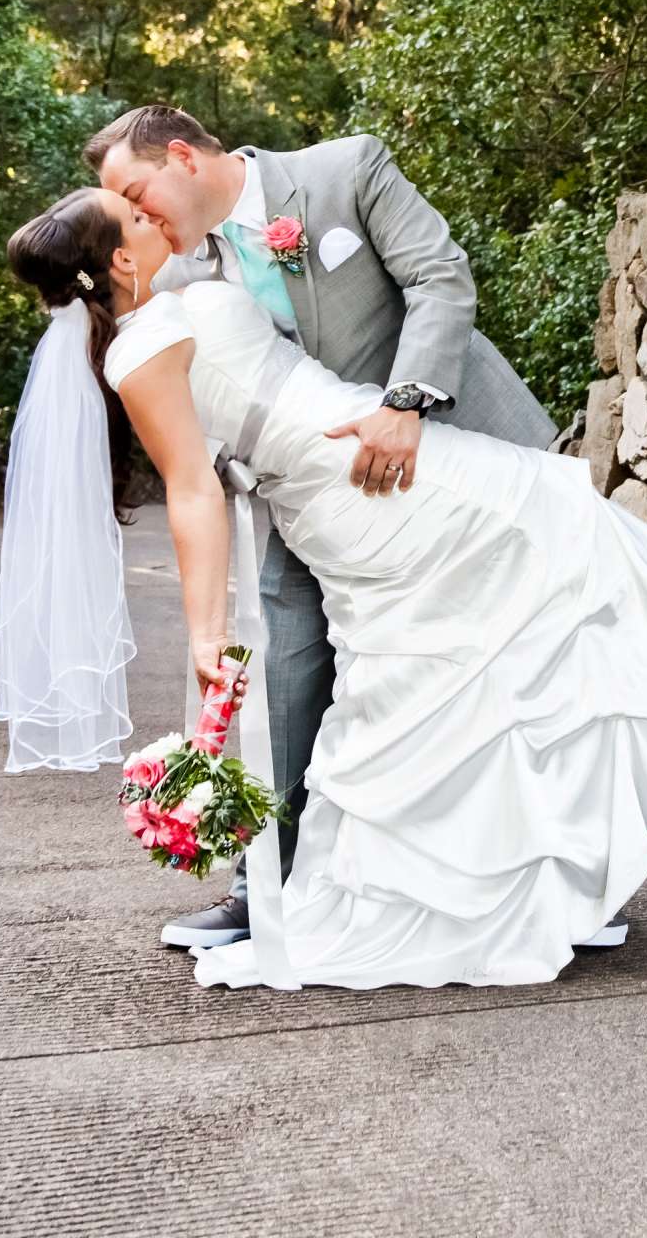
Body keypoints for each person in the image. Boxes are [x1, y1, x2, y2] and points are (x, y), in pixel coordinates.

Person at [0, 185, 647, 990]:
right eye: (136, 217)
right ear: (120, 260)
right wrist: (201, 637)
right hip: (354, 482)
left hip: (360, 462)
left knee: (446, 675)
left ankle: (541, 883)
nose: (153, 214)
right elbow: (192, 489)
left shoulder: (163, 306)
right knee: (561, 530)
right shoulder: (142, 349)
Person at [84, 106, 566, 952]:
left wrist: (407, 402)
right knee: (285, 664)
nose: (141, 212)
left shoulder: (345, 170)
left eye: (137, 190)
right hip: (318, 502)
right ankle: (261, 885)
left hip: (451, 453)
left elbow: (440, 280)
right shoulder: (176, 271)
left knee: (516, 662)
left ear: (185, 157)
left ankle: (557, 883)